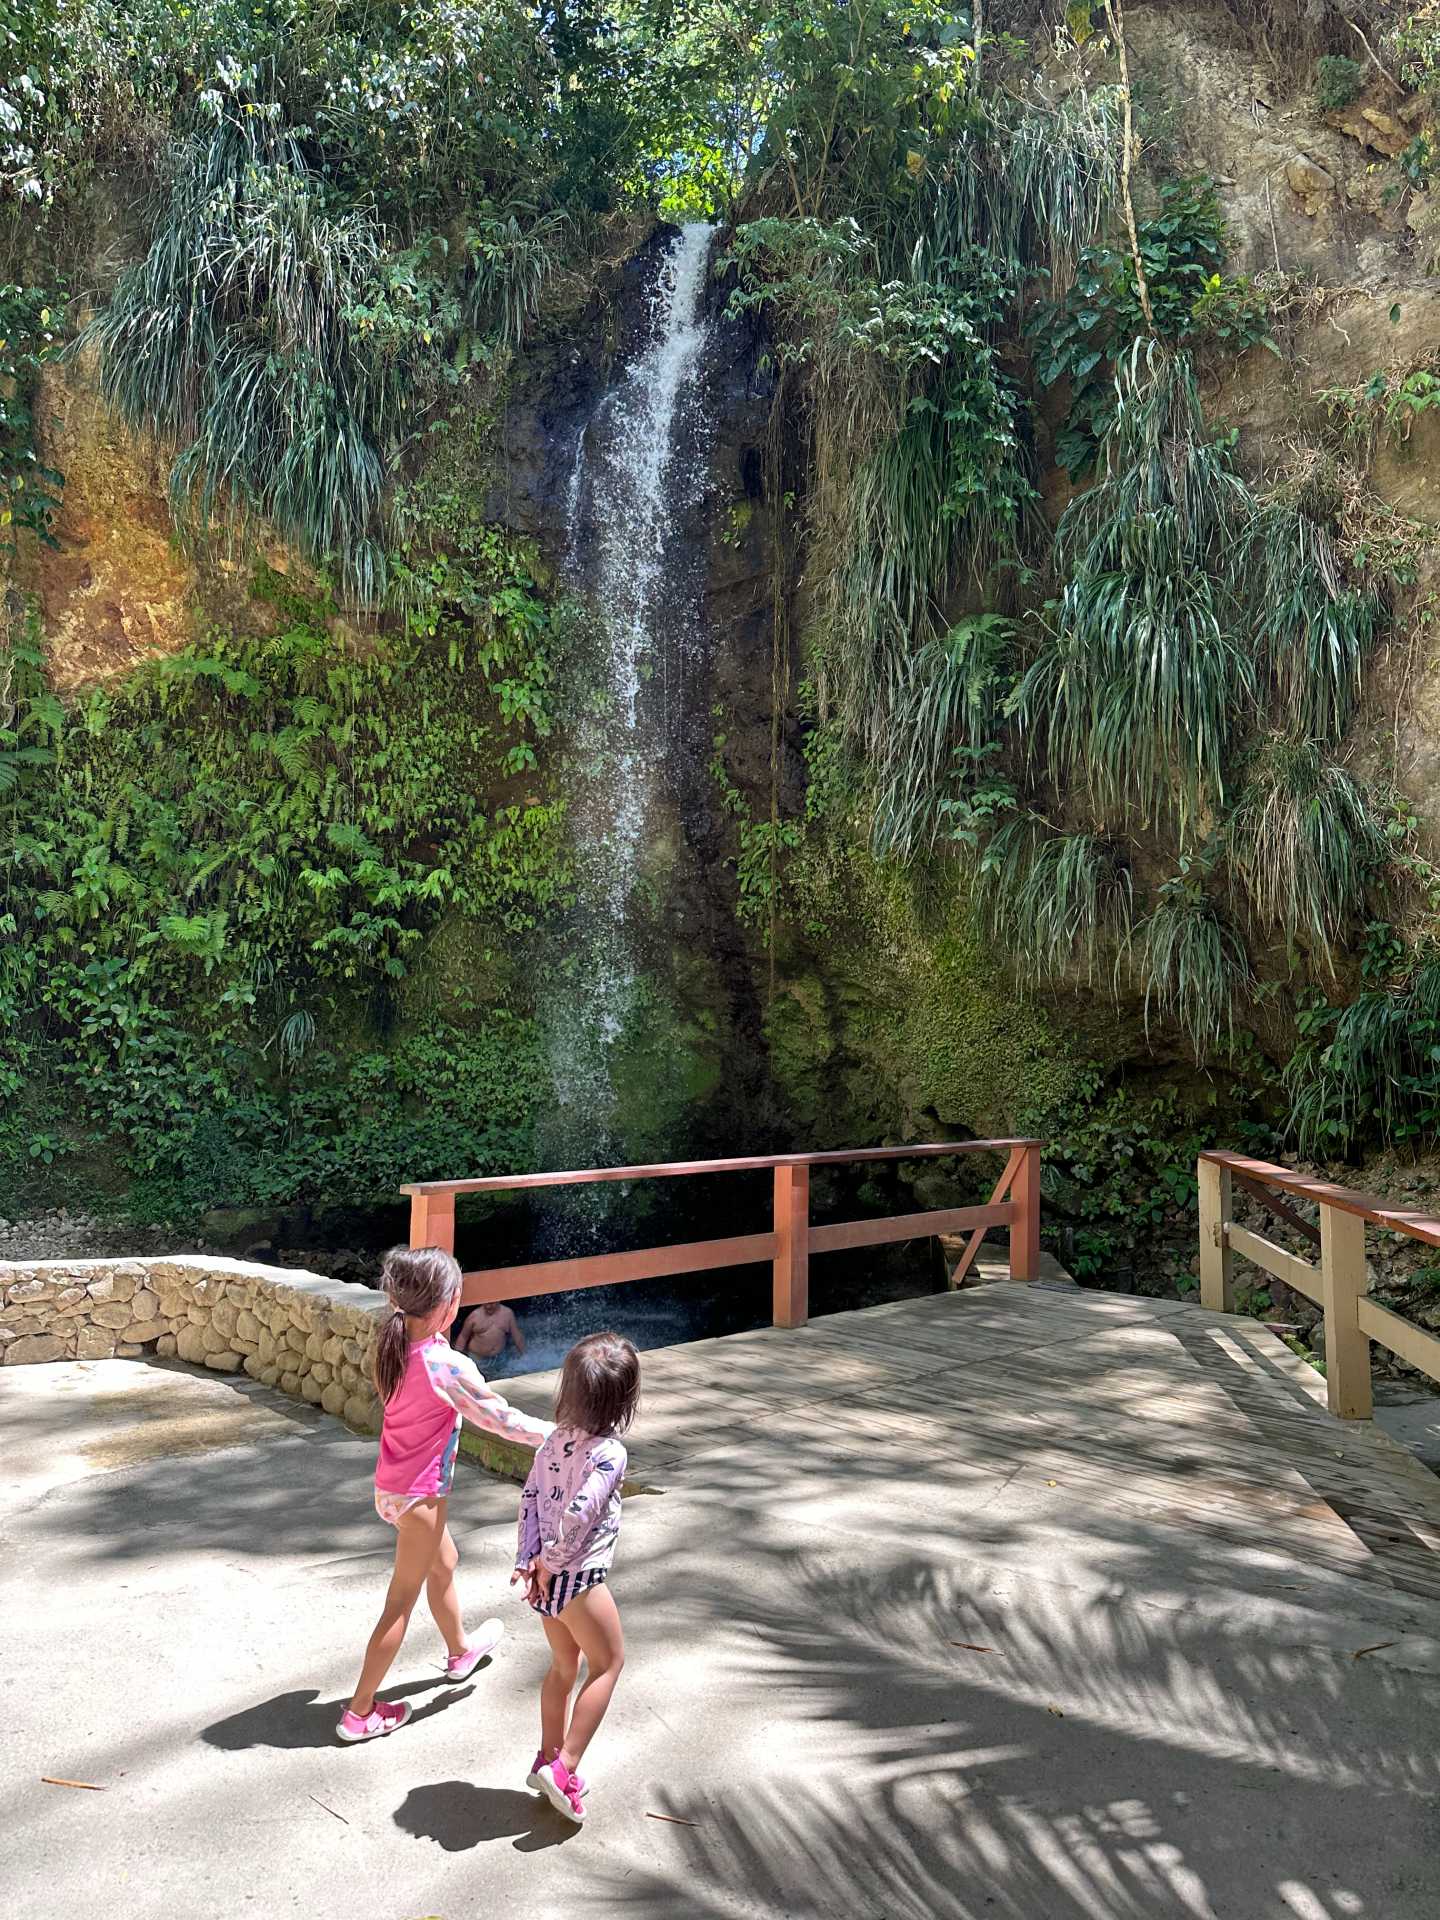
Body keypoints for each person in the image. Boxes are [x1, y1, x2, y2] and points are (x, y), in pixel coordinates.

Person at [336, 1246, 552, 1744]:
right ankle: (360, 1711)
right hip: (420, 1498)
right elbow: (499, 1419)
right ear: (448, 1306)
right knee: (399, 1605)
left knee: (444, 1561)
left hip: (391, 1491)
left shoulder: (391, 1346)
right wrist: (557, 1433)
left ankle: (460, 1650)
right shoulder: (445, 1364)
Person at [512, 1330, 639, 1825]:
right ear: (623, 1399)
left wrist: (528, 1560)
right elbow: (579, 1514)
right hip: (576, 1579)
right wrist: (551, 1563)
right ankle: (564, 1769)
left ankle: (546, 1758)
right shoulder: (610, 1453)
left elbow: (528, 1500)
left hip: (545, 1585)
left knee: (563, 1667)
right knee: (608, 1664)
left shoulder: (552, 1442)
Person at [455, 1298, 526, 1366]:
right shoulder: (474, 1316)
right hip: (477, 1358)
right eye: (485, 1303)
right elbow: (463, 1337)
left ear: (498, 1300)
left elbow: (516, 1336)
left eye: (491, 1303)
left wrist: (524, 1355)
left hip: (499, 1357)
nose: (488, 1306)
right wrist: (456, 1359)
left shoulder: (507, 1314)